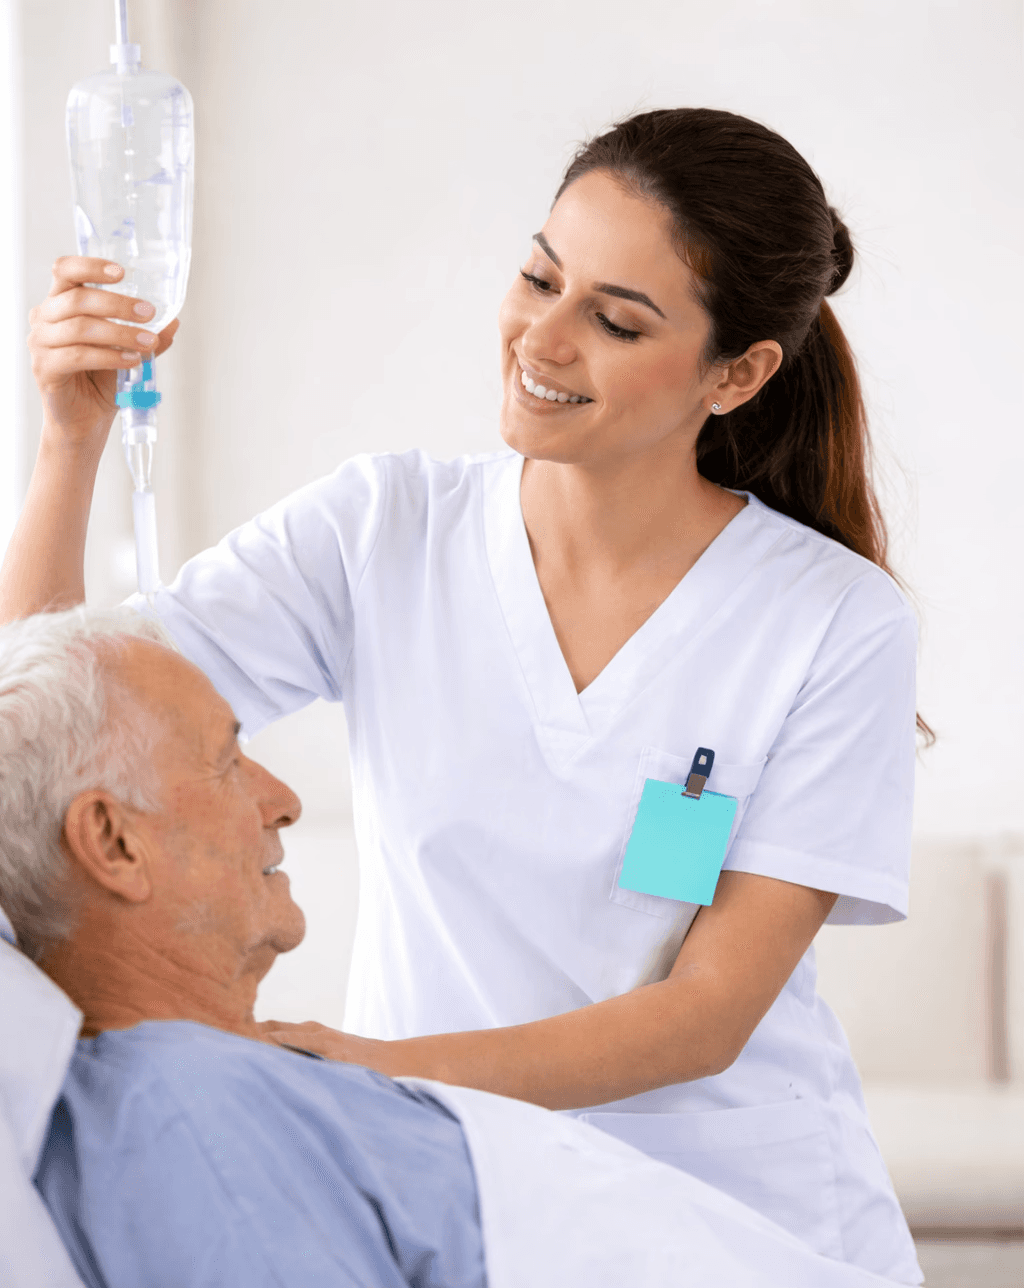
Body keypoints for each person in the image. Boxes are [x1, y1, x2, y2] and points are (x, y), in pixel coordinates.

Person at [3, 107, 922, 1282]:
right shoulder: (381, 531)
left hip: (734, 1221)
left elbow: (706, 1013)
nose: (543, 336)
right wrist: (70, 439)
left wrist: (352, 1069)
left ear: (737, 374)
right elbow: (41, 729)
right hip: (458, 1201)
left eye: (614, 320)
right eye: (539, 277)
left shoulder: (831, 620)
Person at [0, 607, 906, 1288]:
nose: (284, 799)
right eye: (228, 760)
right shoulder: (191, 1128)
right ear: (114, 842)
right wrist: (70, 451)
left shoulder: (238, 1096)